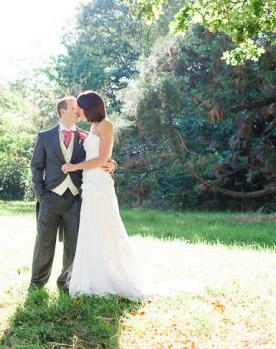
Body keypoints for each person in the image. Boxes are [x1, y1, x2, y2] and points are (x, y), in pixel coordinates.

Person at [63, 90, 195, 300]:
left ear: (90, 107)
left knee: (105, 227)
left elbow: (102, 159)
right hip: (89, 182)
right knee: (91, 228)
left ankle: (111, 277)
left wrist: (74, 167)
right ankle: (93, 277)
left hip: (99, 183)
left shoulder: (106, 125)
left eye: (80, 109)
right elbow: (95, 155)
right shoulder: (92, 126)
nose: (78, 113)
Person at [29, 96, 115, 293]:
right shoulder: (45, 137)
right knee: (44, 242)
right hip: (50, 198)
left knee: (74, 244)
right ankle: (36, 284)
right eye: (74, 108)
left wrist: (113, 164)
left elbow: (99, 157)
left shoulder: (86, 136)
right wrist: (41, 194)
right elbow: (36, 167)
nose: (78, 111)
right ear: (63, 111)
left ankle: (66, 283)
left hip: (76, 199)